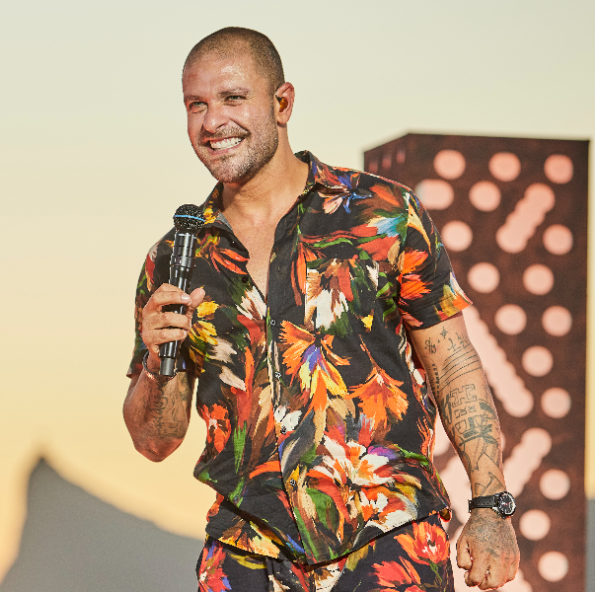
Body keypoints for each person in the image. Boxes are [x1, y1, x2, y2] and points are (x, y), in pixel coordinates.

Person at [123, 27, 519, 592]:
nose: (212, 123)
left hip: (389, 542)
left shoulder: (382, 214)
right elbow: (154, 441)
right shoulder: (175, 259)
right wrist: (154, 362)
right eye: (196, 105)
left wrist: (490, 507)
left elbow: (453, 366)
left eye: (233, 99)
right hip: (247, 551)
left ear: (282, 103)